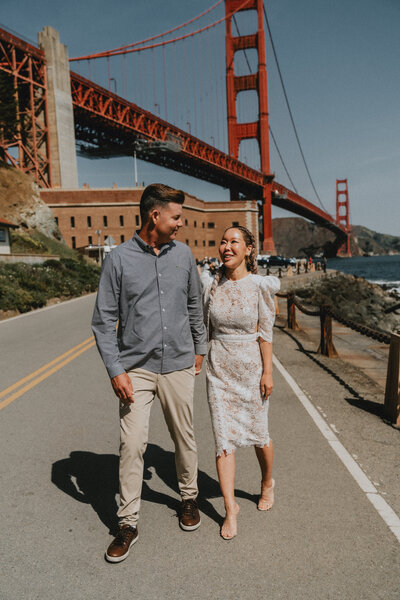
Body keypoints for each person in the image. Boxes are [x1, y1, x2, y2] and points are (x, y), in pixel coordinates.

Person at [92, 183, 207, 563]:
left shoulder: (184, 254)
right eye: (176, 217)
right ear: (154, 215)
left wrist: (200, 348)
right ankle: (127, 524)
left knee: (184, 437)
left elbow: (194, 304)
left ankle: (189, 498)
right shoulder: (118, 260)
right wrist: (115, 370)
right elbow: (103, 320)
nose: (180, 224)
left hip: (177, 363)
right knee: (133, 443)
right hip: (135, 369)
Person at [201, 225, 280, 540]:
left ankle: (266, 482)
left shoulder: (259, 286)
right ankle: (230, 508)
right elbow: (204, 327)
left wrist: (268, 372)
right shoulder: (212, 285)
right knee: (223, 440)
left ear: (249, 250)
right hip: (219, 371)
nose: (226, 246)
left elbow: (265, 333)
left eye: (234, 241)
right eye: (223, 241)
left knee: (260, 437)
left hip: (251, 370)